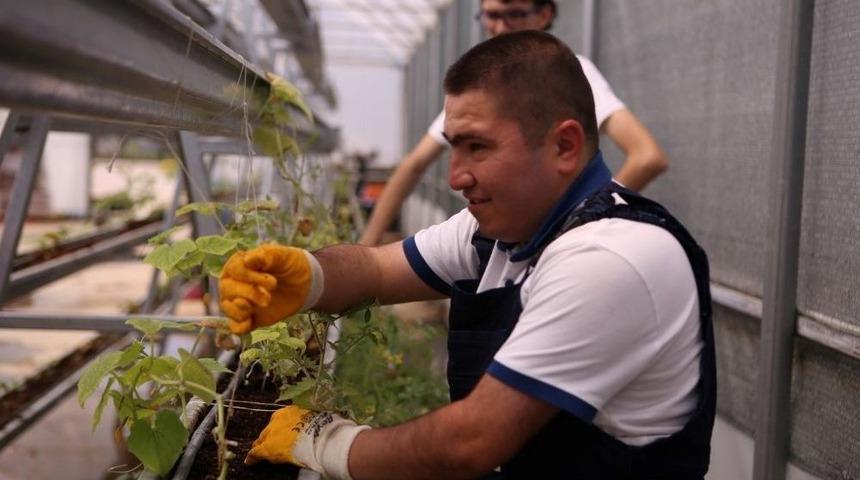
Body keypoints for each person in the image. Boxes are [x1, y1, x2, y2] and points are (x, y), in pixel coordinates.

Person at [219, 31, 714, 479]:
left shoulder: (608, 259)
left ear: (564, 146)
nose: (456, 176)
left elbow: (470, 443)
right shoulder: (502, 232)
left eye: (478, 147)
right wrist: (309, 276)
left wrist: (327, 443)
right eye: (455, 148)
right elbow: (375, 269)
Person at [358, 0, 668, 246]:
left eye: (515, 13)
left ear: (545, 13)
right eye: (491, 15)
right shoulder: (487, 87)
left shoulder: (569, 74)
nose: (501, 26)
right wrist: (366, 248)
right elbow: (413, 165)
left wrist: (577, 222)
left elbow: (647, 157)